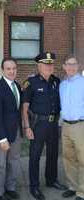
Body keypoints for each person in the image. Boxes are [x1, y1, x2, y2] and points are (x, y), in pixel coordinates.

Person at [22, 52, 66, 200]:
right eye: (46, 64)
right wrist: (27, 127)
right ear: (39, 66)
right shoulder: (31, 82)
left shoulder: (56, 81)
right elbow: (25, 107)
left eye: (51, 64)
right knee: (35, 156)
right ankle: (34, 187)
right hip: (38, 124)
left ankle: (51, 180)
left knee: (53, 154)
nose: (49, 67)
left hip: (53, 124)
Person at [0, 58, 22, 200]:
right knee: (0, 165)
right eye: (8, 69)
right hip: (3, 135)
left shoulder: (17, 86)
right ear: (3, 70)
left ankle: (10, 187)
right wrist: (2, 138)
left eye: (14, 68)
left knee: (13, 162)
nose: (12, 71)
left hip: (16, 132)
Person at [60, 55, 84, 200]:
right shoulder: (62, 85)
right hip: (65, 126)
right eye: (68, 64)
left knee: (82, 159)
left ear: (79, 66)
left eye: (74, 64)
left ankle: (82, 191)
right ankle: (72, 186)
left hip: (80, 125)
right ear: (64, 66)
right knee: (68, 158)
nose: (71, 67)